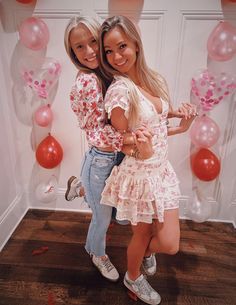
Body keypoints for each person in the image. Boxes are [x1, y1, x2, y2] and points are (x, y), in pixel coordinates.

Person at [99, 15, 197, 304]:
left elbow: (157, 122)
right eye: (109, 51)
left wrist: (182, 121)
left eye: (122, 46)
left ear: (136, 45)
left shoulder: (151, 78)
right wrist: (139, 148)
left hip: (162, 172)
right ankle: (133, 276)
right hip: (140, 176)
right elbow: (121, 139)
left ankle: (147, 254)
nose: (116, 56)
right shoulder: (119, 90)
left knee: (169, 243)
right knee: (143, 236)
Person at [63, 16, 153, 282]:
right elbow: (94, 132)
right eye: (80, 47)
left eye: (93, 42)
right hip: (101, 160)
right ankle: (96, 252)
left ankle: (80, 187)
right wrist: (129, 140)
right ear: (72, 52)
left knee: (119, 216)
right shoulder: (86, 82)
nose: (90, 51)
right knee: (102, 220)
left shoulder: (110, 73)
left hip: (117, 160)